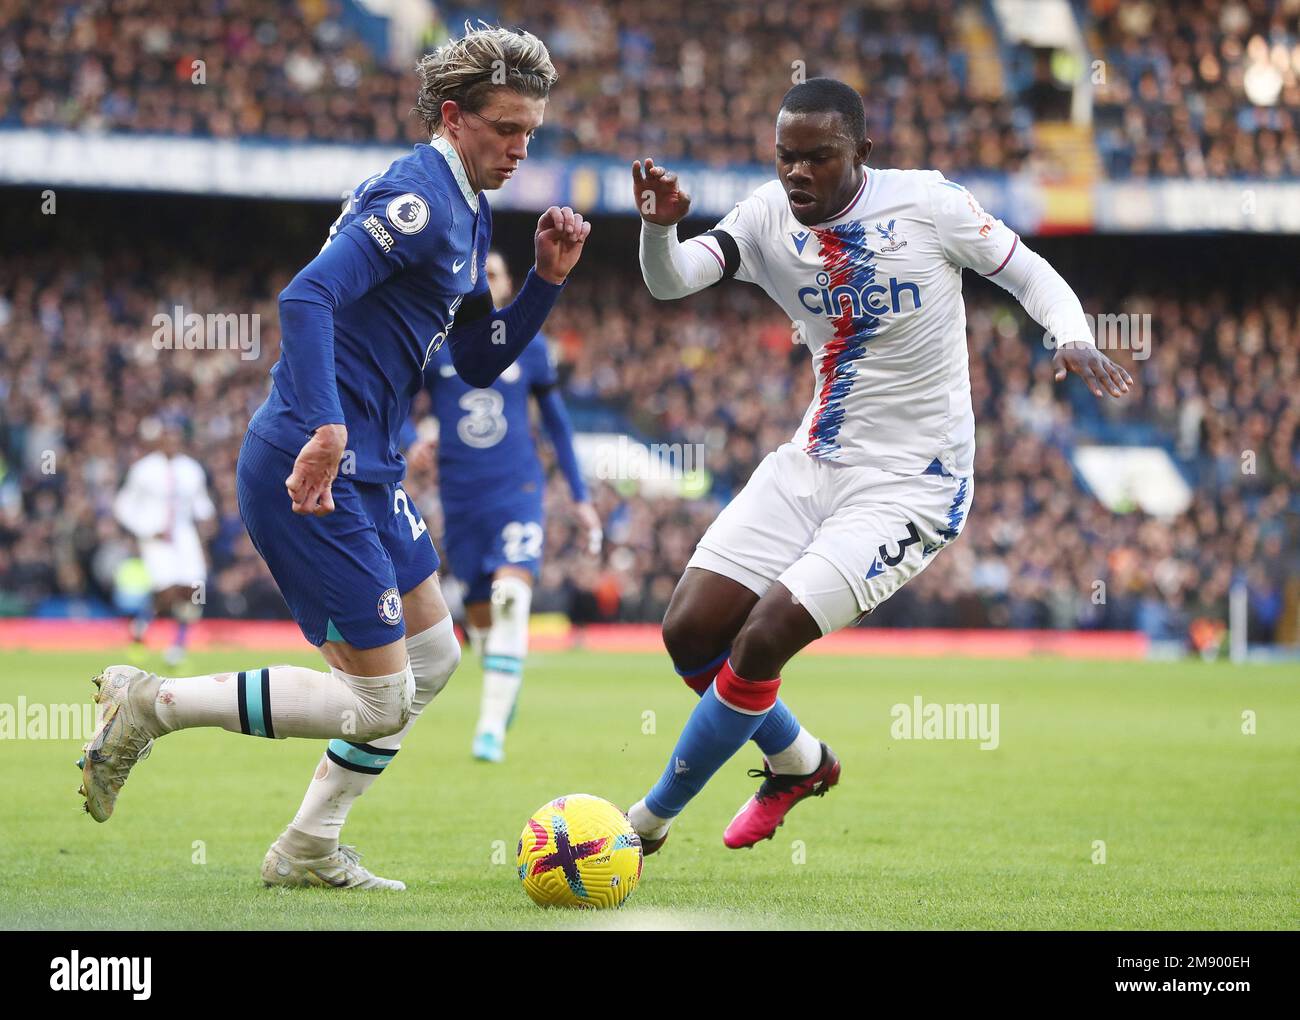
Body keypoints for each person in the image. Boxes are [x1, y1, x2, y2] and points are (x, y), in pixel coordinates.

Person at [78, 24, 592, 892]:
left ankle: (309, 848)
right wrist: (324, 426)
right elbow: (305, 294)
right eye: (507, 128)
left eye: (532, 132)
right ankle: (150, 704)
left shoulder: (470, 205)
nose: (521, 147)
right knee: (380, 700)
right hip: (310, 465)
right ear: (456, 116)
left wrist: (545, 280)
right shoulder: (419, 196)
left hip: (369, 467)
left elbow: (472, 361)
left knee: (434, 661)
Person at [625, 77, 1133, 854]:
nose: (797, 173)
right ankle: (799, 764)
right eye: (785, 157)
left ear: (862, 152)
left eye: (818, 158)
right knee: (689, 632)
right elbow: (671, 282)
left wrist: (1068, 331)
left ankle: (646, 824)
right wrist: (660, 230)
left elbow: (1025, 270)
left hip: (913, 487)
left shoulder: (926, 204)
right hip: (814, 459)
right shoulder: (765, 216)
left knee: (762, 641)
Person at [409, 250, 600, 763]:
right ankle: (502, 683)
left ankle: (489, 727)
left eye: (492, 273)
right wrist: (410, 439)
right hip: (460, 500)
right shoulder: (438, 346)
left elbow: (557, 424)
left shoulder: (532, 348)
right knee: (479, 620)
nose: (483, 281)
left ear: (510, 283)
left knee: (511, 599)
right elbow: (396, 402)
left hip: (517, 492)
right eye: (476, 274)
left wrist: (581, 499)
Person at [112, 419, 215, 667]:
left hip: (183, 535)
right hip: (155, 537)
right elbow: (123, 505)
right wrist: (143, 529)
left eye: (175, 438)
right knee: (166, 591)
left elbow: (202, 505)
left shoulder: (191, 469)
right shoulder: (144, 470)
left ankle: (177, 647)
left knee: (192, 590)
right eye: (166, 438)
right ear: (158, 441)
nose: (171, 443)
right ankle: (141, 626)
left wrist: (206, 526)